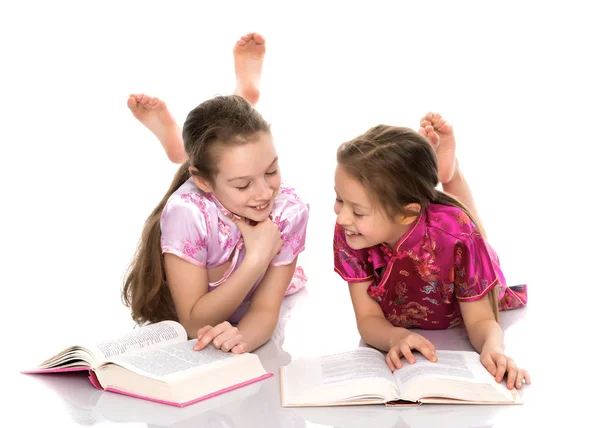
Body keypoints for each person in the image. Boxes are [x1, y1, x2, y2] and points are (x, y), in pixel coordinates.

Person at [121, 33, 309, 355]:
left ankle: (230, 107)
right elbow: (194, 325)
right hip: (192, 297)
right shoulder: (187, 210)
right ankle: (180, 144)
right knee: (214, 157)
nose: (265, 193)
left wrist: (244, 339)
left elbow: (265, 310)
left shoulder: (289, 211)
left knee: (226, 154)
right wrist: (258, 257)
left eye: (272, 170)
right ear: (204, 183)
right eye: (243, 185)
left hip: (214, 179)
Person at [333, 113, 530, 390]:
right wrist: (394, 337)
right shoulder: (352, 232)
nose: (341, 217)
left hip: (457, 248)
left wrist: (493, 348)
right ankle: (441, 172)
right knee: (465, 228)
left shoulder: (457, 235)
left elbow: (481, 320)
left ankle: (451, 174)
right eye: (339, 199)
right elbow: (367, 318)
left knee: (475, 236)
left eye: (357, 210)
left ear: (406, 214)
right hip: (427, 253)